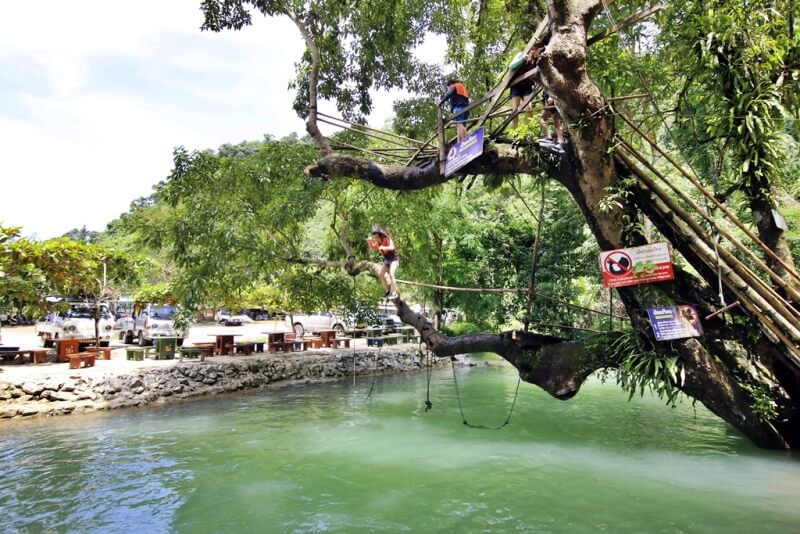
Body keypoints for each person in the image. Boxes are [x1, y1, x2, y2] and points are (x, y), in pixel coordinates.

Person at [509, 49, 538, 128]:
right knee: (515, 110)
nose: (534, 51)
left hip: (527, 86)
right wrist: (522, 59)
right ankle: (515, 132)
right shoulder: (521, 54)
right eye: (534, 49)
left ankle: (524, 131)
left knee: (529, 109)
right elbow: (511, 66)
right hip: (516, 85)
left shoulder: (537, 60)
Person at [368, 226, 399, 300]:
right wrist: (369, 242)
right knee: (381, 274)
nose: (375, 239)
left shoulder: (388, 239)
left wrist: (384, 248)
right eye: (374, 238)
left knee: (391, 274)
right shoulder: (378, 243)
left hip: (394, 260)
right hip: (387, 260)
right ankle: (388, 292)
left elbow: (392, 248)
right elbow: (372, 247)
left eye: (376, 238)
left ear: (379, 236)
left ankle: (395, 293)